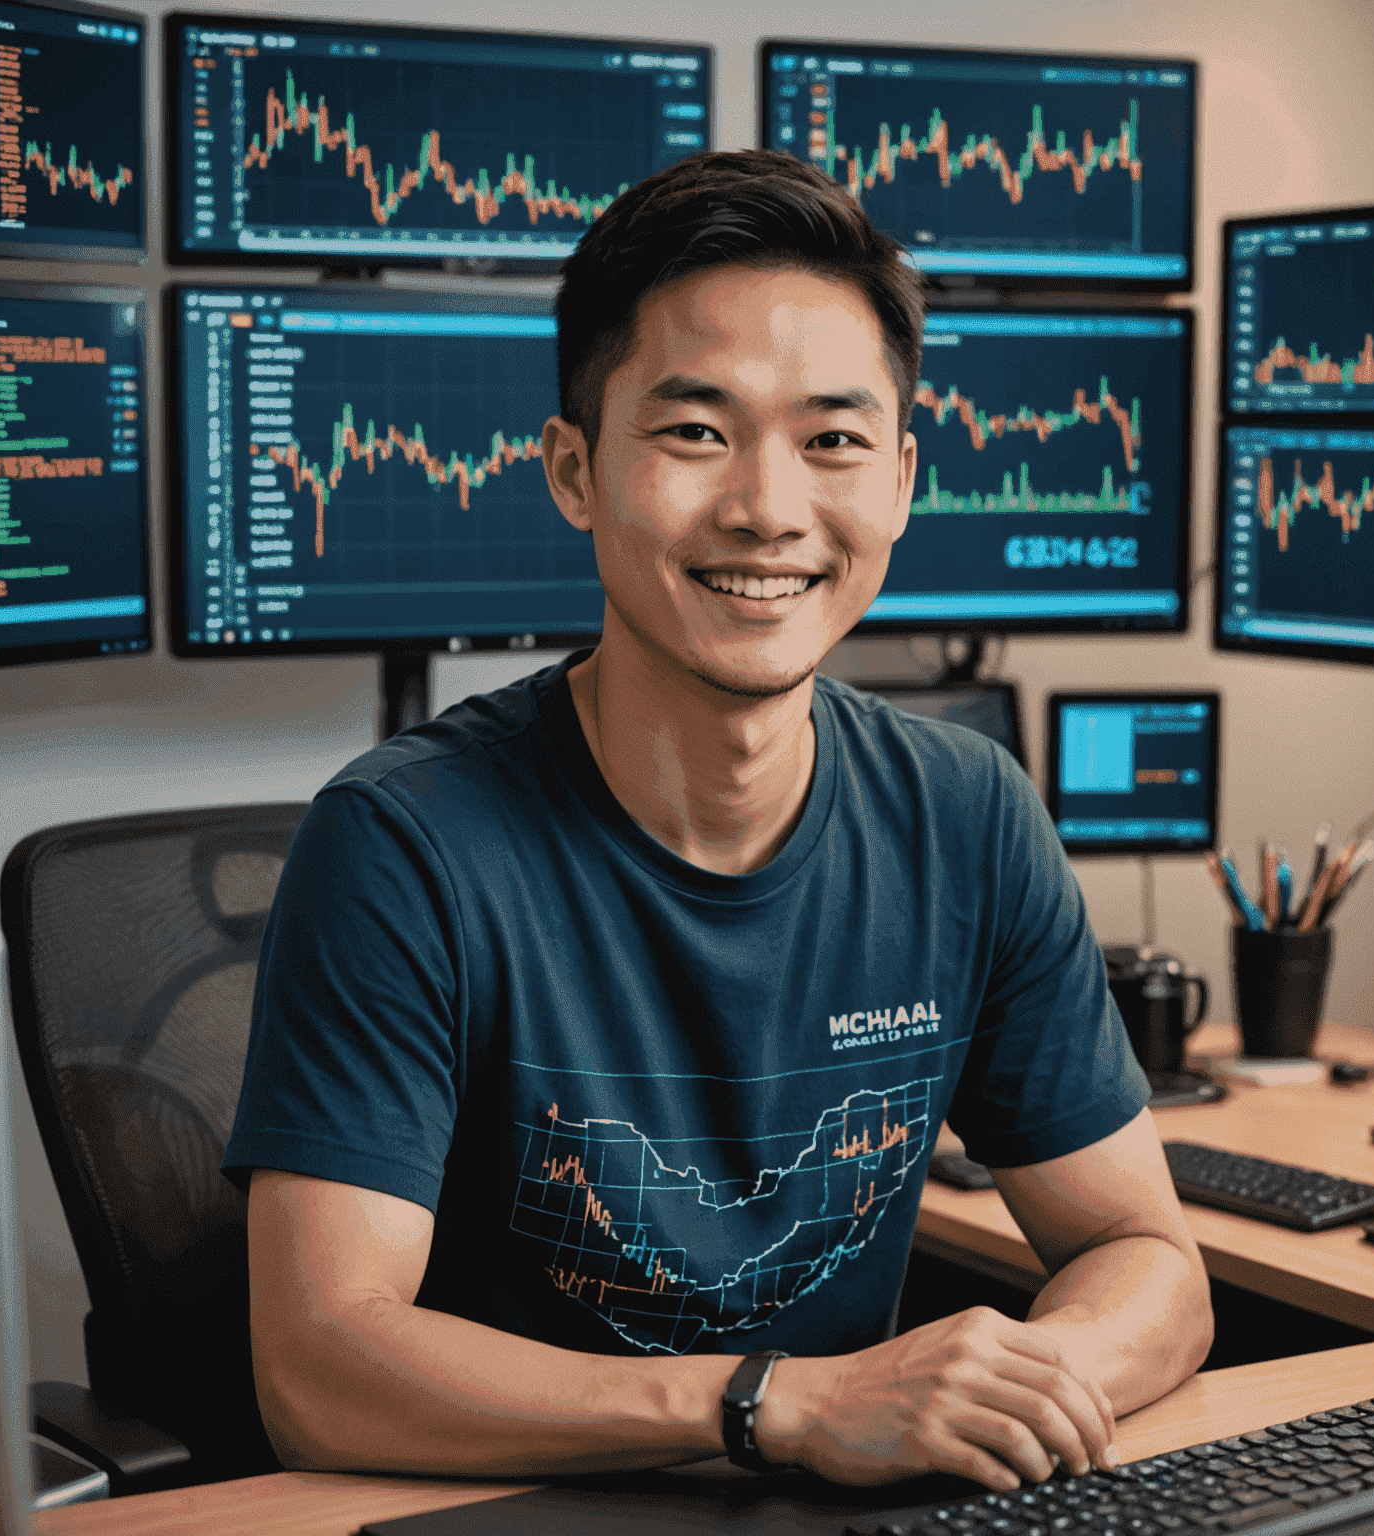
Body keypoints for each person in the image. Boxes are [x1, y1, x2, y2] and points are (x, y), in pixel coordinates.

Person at [224, 147, 1213, 1493]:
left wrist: (1015, 1394)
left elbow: (1149, 1262)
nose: (768, 507)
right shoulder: (404, 845)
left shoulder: (969, 817)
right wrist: (777, 1406)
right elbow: (321, 1369)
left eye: (835, 441)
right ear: (574, 472)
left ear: (903, 481)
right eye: (696, 431)